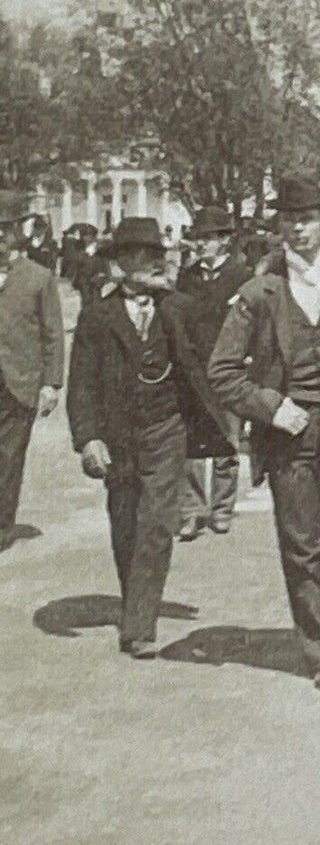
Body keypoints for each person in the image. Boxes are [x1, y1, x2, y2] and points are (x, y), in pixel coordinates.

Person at [208, 177, 320, 692]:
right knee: (302, 545)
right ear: (279, 227)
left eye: (308, 218)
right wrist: (271, 407)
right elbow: (222, 372)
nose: (299, 228)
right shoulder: (257, 293)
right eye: (290, 220)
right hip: (289, 433)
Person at [66, 218, 216, 658]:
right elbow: (83, 383)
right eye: (147, 257)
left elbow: (210, 356)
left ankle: (139, 626)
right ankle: (136, 602)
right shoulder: (98, 315)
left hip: (166, 428)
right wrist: (88, 438)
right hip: (118, 435)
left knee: (156, 522)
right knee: (126, 521)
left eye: (160, 256)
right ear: (123, 263)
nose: (158, 263)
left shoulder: (179, 308)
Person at [173, 206, 250, 540]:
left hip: (229, 370)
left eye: (207, 238)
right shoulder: (186, 277)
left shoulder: (242, 276)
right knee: (188, 445)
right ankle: (190, 510)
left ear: (224, 241)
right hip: (191, 371)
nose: (200, 244)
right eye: (197, 238)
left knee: (227, 440)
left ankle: (222, 509)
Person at [0, 192, 64, 539]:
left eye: (4, 229)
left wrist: (51, 384)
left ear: (15, 233)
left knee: (8, 458)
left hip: (18, 382)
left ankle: (2, 526)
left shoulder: (38, 277)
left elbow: (53, 333)